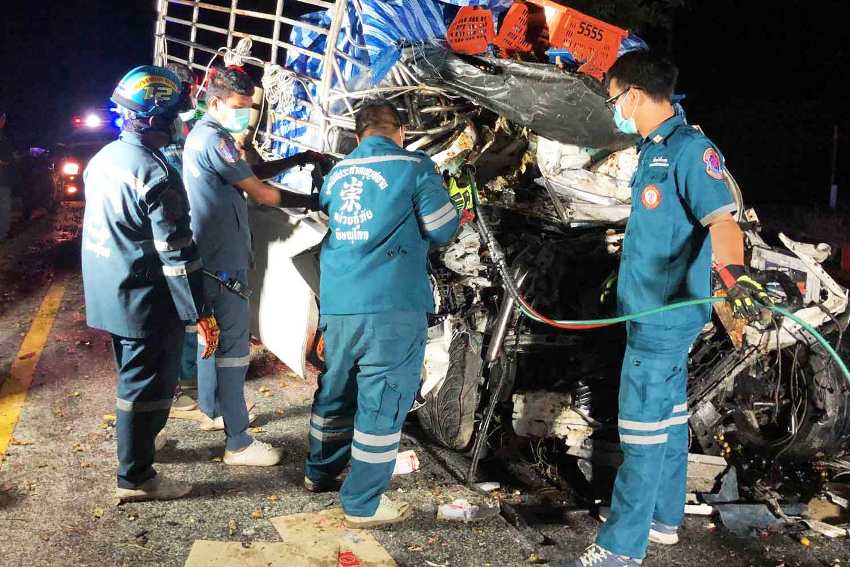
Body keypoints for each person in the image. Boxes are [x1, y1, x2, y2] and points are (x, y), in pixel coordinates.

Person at [564, 51, 770, 567]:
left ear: (633, 93)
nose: (615, 110)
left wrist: (733, 275)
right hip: (654, 311)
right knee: (670, 417)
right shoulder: (655, 149)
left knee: (641, 428)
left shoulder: (690, 150)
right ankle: (663, 520)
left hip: (663, 317)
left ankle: (620, 548)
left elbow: (723, 222)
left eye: (614, 100)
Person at [304, 99, 461, 528]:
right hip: (390, 305)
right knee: (383, 402)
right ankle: (362, 505)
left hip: (339, 303)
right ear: (402, 132)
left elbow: (331, 217)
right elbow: (444, 227)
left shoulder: (338, 172)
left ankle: (319, 472)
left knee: (336, 389)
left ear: (358, 136)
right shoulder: (415, 166)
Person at [81, 65, 221, 503]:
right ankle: (136, 477)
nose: (180, 125)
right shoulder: (156, 174)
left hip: (109, 291)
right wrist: (200, 312)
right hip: (143, 298)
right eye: (176, 117)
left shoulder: (105, 159)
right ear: (156, 119)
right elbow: (177, 254)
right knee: (148, 387)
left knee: (131, 378)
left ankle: (143, 444)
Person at [183, 66, 324, 465]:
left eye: (249, 108)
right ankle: (239, 441)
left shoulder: (206, 137)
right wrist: (315, 203)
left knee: (210, 339)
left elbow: (247, 174)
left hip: (210, 256)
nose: (246, 115)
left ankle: (214, 411)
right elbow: (260, 194)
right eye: (239, 107)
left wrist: (296, 159)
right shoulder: (217, 140)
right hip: (222, 260)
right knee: (231, 350)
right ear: (215, 103)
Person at [0, 111, 16, 240]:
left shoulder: (5, 138)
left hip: (4, 180)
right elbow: (7, 159)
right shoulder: (3, 138)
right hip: (2, 181)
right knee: (4, 206)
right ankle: (3, 234)